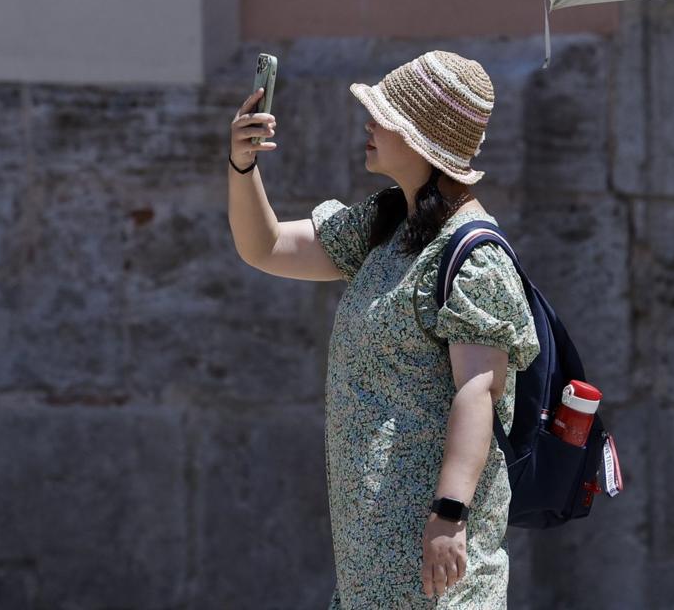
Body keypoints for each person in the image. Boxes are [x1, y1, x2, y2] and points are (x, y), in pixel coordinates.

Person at [227, 50, 538, 608]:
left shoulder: (473, 255)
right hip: (372, 555)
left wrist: (449, 515)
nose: (369, 123)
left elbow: (479, 390)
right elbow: (265, 246)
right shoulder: (387, 223)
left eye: (385, 115)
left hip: (429, 558)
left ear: (422, 140)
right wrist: (243, 166)